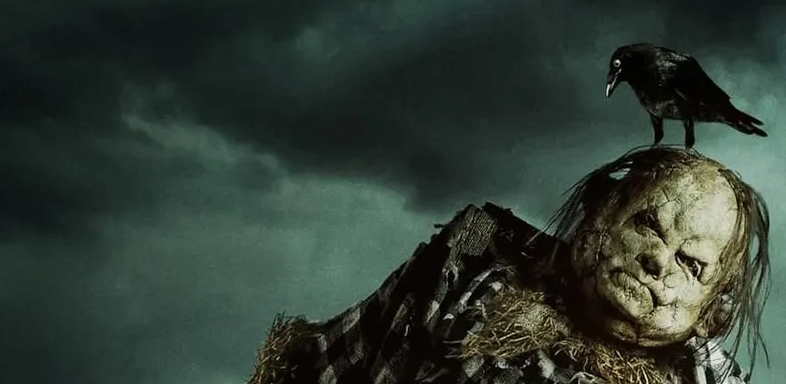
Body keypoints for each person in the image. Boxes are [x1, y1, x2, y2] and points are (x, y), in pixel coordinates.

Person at [246, 146, 770, 384]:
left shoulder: (707, 379)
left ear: (712, 311)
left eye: (691, 263)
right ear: (599, 215)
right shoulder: (464, 278)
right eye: (647, 225)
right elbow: (326, 366)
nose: (657, 260)